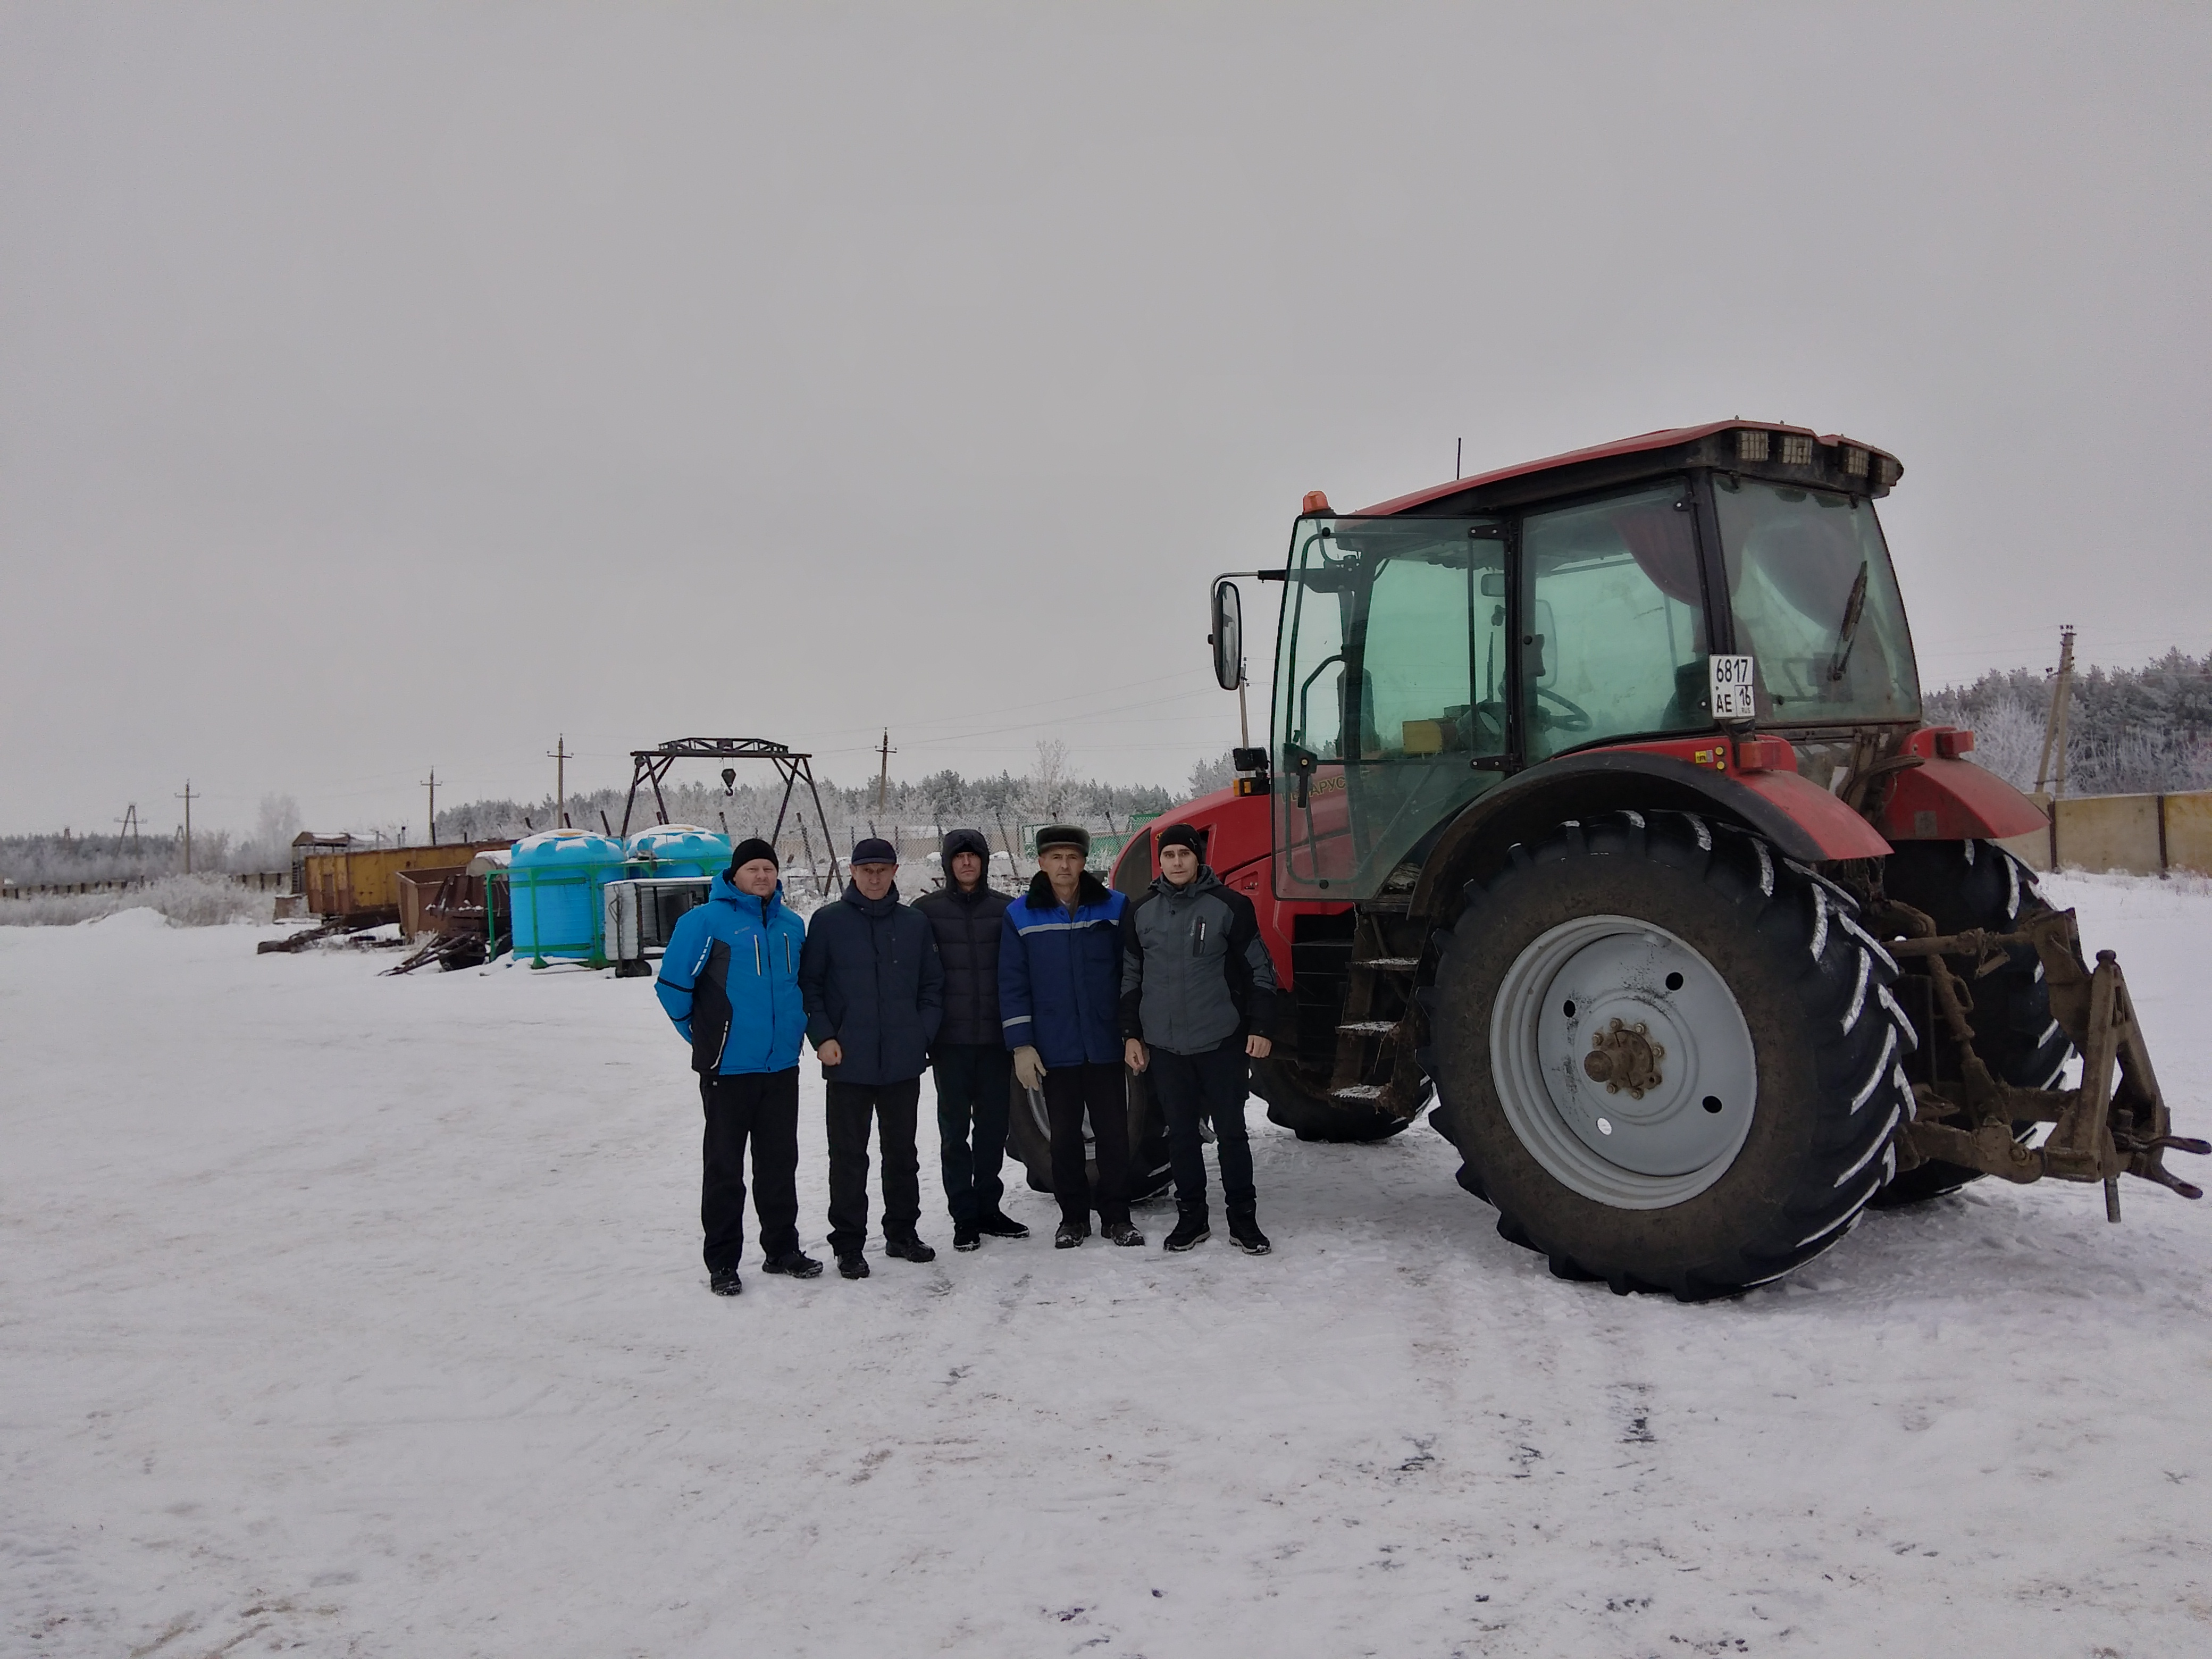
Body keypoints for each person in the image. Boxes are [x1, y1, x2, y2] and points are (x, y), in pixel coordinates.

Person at [655, 837, 823, 1295]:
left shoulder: (791, 924)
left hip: (781, 1065)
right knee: (725, 1168)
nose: (763, 877)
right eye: (754, 869)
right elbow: (672, 986)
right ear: (735, 875)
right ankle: (723, 1261)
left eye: (769, 869)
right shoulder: (705, 922)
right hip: (727, 1069)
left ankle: (781, 1249)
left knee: (779, 1163)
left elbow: (799, 988)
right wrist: (706, 1036)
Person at [1120, 823, 1280, 1255]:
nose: (1176, 863)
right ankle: (1191, 1219)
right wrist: (1132, 1034)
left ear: (1198, 859)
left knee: (1231, 1133)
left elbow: (1260, 972)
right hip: (1166, 1047)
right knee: (1182, 1137)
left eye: (1184, 855)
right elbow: (1130, 979)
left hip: (1221, 1042)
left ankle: (1244, 1221)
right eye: (1169, 855)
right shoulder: (1140, 912)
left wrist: (1261, 1027)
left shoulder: (1229, 907)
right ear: (1161, 861)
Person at [799, 836, 944, 1279]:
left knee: (902, 1153)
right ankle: (848, 1244)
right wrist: (823, 1037)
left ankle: (903, 1234)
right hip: (848, 1060)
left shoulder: (915, 923)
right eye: (867, 870)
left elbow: (932, 988)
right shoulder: (828, 923)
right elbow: (811, 988)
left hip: (902, 1059)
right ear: (853, 873)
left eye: (883, 869)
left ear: (896, 872)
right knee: (848, 1156)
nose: (875, 877)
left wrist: (922, 1033)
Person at [1000, 824, 1144, 1250]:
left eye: (1073, 857)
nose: (1065, 866)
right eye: (1055, 858)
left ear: (1084, 862)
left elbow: (1131, 974)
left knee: (1115, 1134)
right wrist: (1022, 1045)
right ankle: (1073, 1219)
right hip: (1053, 1047)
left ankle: (1118, 1217)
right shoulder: (1020, 914)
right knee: (1063, 1137)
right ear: (1041, 863)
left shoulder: (1115, 907)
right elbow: (1012, 982)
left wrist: (1131, 1032)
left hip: (1104, 1042)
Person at [913, 828, 1027, 1252]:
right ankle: (964, 1216)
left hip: (996, 1040)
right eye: (958, 857)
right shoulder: (925, 912)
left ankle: (989, 1207)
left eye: (973, 856)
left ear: (984, 862)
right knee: (954, 1132)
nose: (966, 864)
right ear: (948, 863)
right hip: (951, 1042)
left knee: (993, 1129)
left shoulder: (1006, 911)